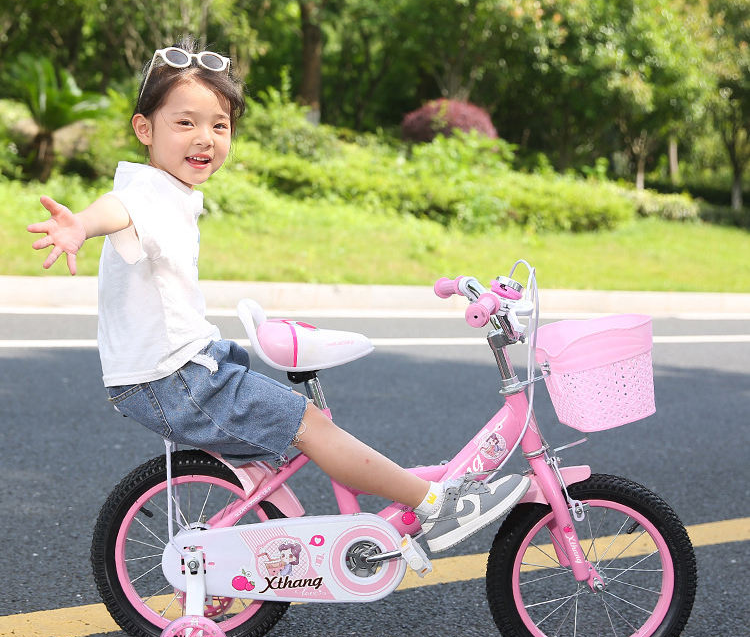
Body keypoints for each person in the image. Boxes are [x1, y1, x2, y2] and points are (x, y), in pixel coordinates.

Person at [27, 38, 529, 553]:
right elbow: (117, 210)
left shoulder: (168, 189)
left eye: (219, 125)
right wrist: (80, 225)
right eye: (185, 122)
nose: (204, 138)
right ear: (144, 129)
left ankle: (334, 496)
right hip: (175, 380)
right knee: (310, 427)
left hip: (181, 369)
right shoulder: (147, 193)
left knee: (295, 423)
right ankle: (433, 503)